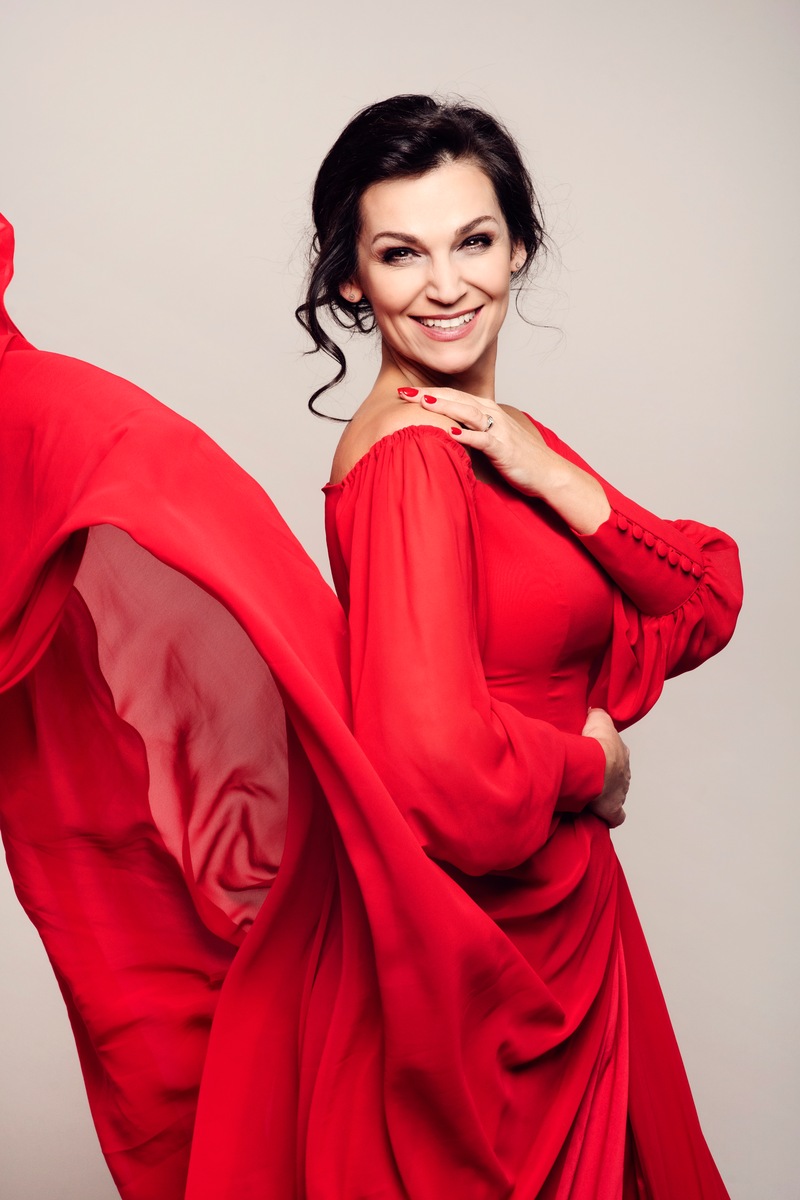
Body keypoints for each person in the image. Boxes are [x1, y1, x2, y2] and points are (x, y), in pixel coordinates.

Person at [0, 94, 741, 1200]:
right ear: (351, 279)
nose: (445, 285)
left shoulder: (501, 446)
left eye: (473, 241)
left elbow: (703, 599)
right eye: (400, 253)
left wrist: (553, 474)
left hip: (562, 942)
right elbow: (434, 768)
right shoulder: (412, 461)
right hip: (485, 970)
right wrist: (594, 767)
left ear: (519, 247)